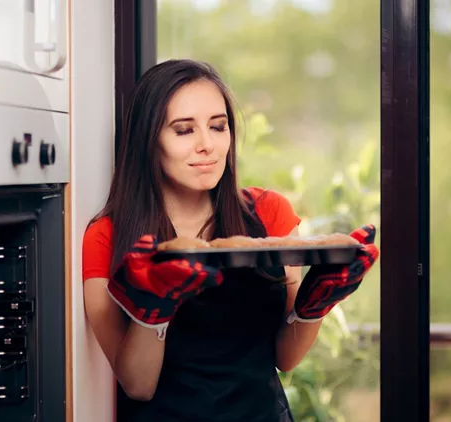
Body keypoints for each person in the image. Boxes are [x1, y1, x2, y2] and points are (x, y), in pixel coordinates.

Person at [82, 59, 379, 422]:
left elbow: (285, 359)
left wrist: (312, 307)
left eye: (218, 126)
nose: (207, 145)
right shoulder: (107, 237)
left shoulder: (270, 213)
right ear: (149, 141)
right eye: (183, 131)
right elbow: (137, 386)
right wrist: (152, 315)